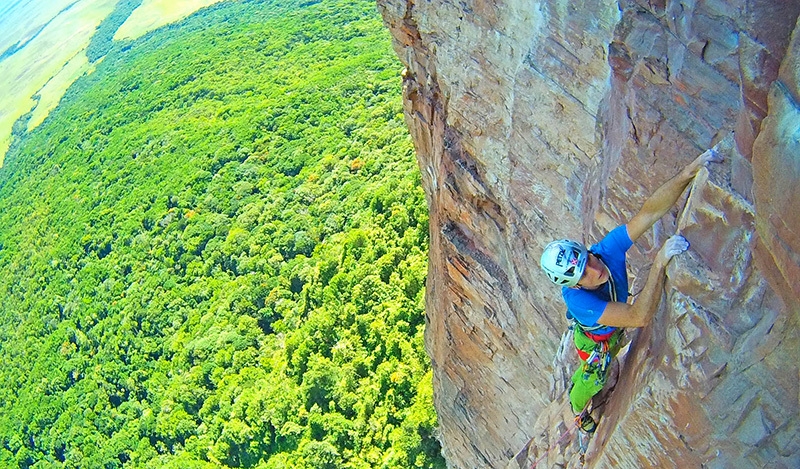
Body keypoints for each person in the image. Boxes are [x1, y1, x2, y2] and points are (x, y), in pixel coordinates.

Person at [540, 145, 723, 433]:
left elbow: (649, 213)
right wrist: (660, 263)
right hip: (595, 340)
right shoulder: (577, 300)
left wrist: (688, 172)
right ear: (573, 285)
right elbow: (639, 317)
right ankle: (577, 410)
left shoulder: (605, 252)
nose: (594, 269)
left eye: (587, 259)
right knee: (596, 376)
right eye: (583, 274)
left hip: (611, 326)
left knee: (606, 367)